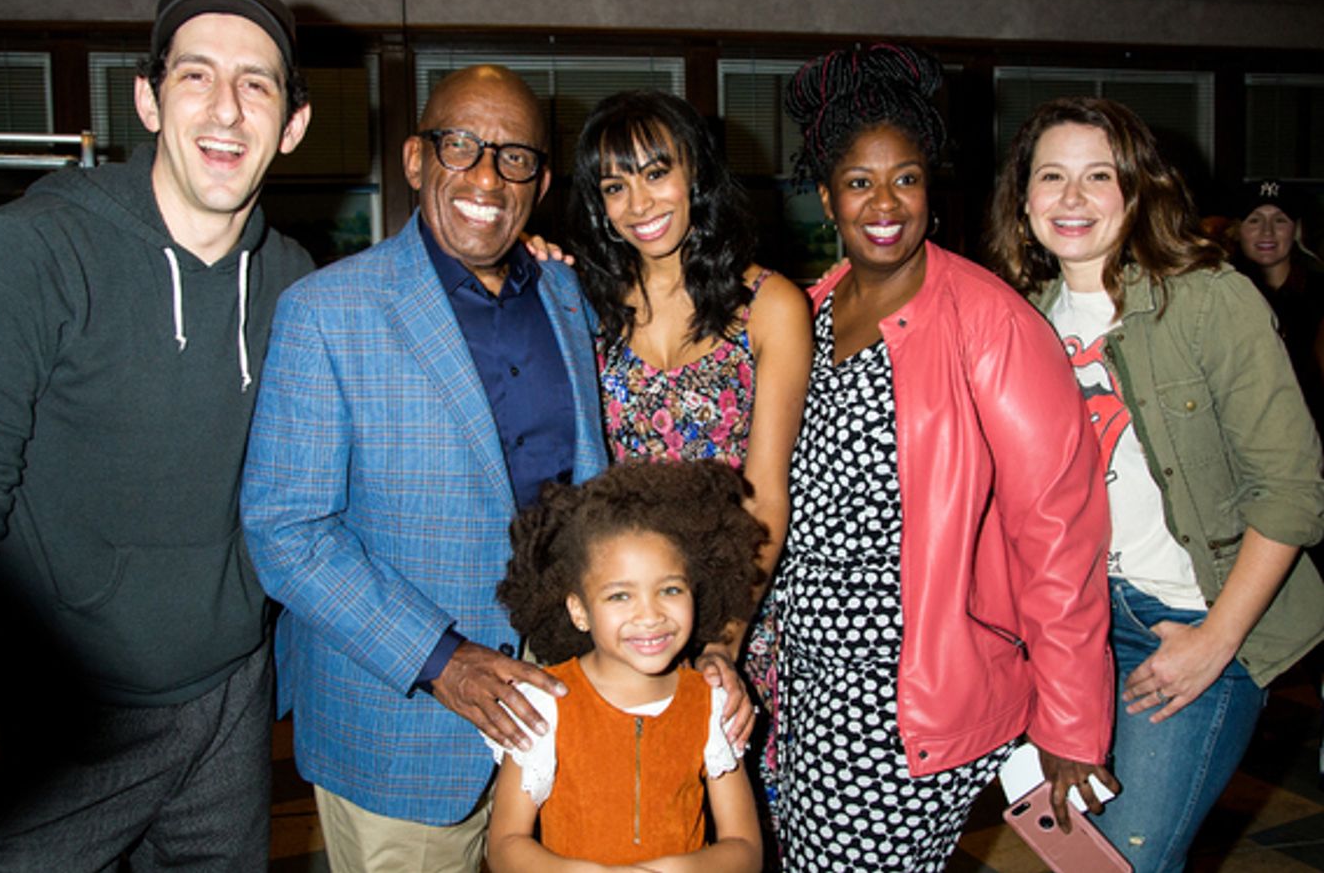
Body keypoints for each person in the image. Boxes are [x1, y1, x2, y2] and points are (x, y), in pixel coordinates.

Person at [240, 65, 752, 873]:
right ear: (416, 159)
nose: (485, 177)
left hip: (565, 714)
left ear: (539, 183)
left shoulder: (567, 293)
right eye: (460, 146)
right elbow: (285, 531)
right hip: (403, 729)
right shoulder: (327, 311)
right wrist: (443, 659)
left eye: (513, 157)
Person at [0, 0, 313, 870]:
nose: (226, 108)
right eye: (195, 74)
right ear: (147, 99)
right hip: (61, 726)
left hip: (227, 703)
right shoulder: (36, 250)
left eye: (255, 84)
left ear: (292, 124)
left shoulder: (294, 282)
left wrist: (527, 269)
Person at [774, 43, 1117, 871]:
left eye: (907, 178)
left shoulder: (991, 323)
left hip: (910, 692)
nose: (885, 203)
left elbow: (1058, 530)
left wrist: (1071, 721)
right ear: (826, 195)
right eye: (859, 181)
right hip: (804, 679)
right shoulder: (809, 310)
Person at [985, 96, 1324, 873]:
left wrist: (1216, 642)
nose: (1072, 197)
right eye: (1052, 176)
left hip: (1187, 619)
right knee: (1075, 855)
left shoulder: (1208, 300)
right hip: (1068, 630)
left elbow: (1293, 490)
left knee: (1128, 860)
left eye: (1099, 175)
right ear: (1024, 198)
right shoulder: (1015, 320)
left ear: (1136, 190)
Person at [563, 89, 811, 825]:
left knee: (730, 827)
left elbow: (766, 494)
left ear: (695, 172)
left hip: (734, 611)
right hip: (621, 618)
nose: (639, 202)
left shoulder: (769, 305)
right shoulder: (583, 304)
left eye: (655, 172)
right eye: (614, 186)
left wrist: (723, 643)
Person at [486, 460, 764, 873]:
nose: (650, 615)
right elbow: (505, 847)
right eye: (620, 596)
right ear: (579, 611)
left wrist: (674, 871)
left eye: (670, 589)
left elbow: (745, 850)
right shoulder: (544, 706)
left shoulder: (712, 704)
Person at [1231, 179, 1324, 432]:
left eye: (1280, 220)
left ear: (1296, 230)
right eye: (1254, 220)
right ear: (1237, 230)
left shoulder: (1317, 293)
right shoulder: (1220, 294)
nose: (1267, 232)